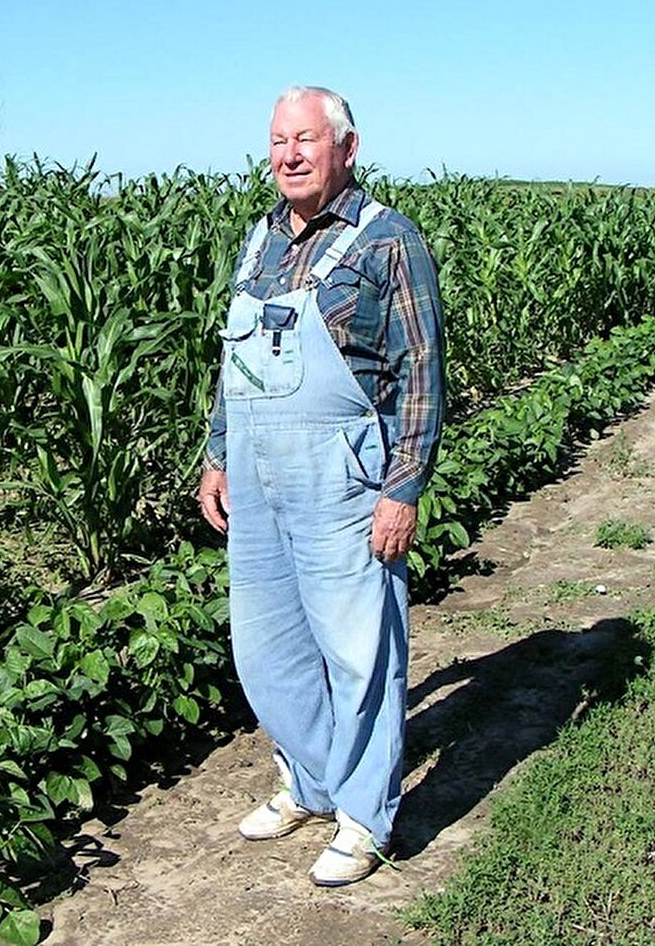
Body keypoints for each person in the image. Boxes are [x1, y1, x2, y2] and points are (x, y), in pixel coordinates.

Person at [198, 85, 444, 887]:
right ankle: (309, 782)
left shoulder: (386, 242)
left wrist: (402, 487)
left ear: (346, 147)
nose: (289, 155)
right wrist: (218, 454)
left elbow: (420, 372)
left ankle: (366, 817)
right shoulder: (259, 239)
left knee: (359, 650)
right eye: (278, 141)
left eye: (306, 139)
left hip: (343, 477)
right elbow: (233, 364)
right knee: (266, 649)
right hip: (260, 479)